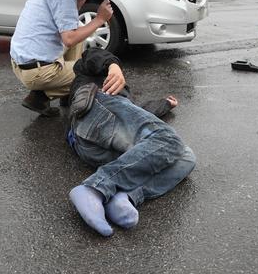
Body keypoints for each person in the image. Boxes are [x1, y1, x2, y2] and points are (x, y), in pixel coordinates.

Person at [65, 48, 196, 236]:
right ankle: (95, 188)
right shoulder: (92, 75)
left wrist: (164, 104)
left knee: (186, 157)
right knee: (168, 139)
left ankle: (124, 196)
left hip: (91, 146)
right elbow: (91, 53)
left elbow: (135, 115)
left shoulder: (123, 105)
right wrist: (113, 66)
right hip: (94, 106)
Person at [10, 0, 124, 117]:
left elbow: (65, 23)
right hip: (37, 71)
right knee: (94, 75)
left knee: (77, 32)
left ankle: (67, 93)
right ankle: (40, 97)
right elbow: (69, 39)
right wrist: (100, 19)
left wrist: (79, 2)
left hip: (21, 63)